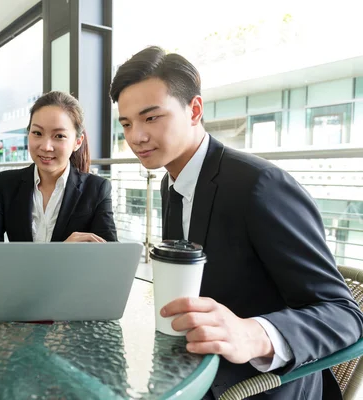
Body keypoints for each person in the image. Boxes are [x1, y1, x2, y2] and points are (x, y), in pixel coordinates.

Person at [110, 46, 363, 399]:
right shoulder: (172, 184)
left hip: (260, 387)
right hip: (195, 371)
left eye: (151, 118)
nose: (136, 136)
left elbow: (344, 314)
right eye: (126, 123)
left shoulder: (260, 185)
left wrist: (253, 334)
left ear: (194, 110)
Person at [0, 91, 117, 243]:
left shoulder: (96, 188)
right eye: (37, 133)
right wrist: (61, 252)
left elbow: (111, 255)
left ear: (77, 142)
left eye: (59, 136)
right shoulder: (7, 183)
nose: (46, 146)